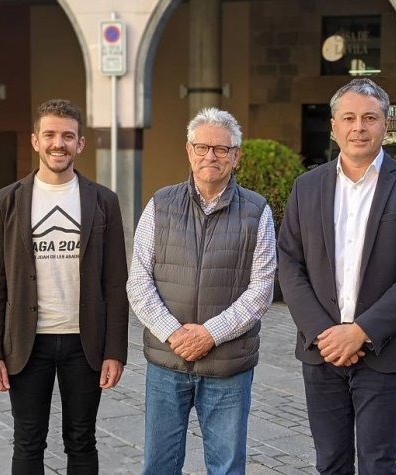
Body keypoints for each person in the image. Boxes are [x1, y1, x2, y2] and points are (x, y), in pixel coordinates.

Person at [277, 78, 396, 474]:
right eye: (348, 118)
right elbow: (289, 263)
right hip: (322, 352)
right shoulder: (306, 187)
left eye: (370, 117)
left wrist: (361, 330)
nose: (359, 127)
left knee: (377, 462)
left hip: (383, 350)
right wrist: (323, 332)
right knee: (330, 462)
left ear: (387, 124)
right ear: (333, 126)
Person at [0, 99, 129, 474]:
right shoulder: (7, 202)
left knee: (82, 439)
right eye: (49, 135)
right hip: (27, 343)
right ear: (35, 141)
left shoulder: (103, 202)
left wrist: (116, 351)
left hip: (85, 343)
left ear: (80, 144)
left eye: (67, 136)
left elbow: (115, 283)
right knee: (28, 442)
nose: (57, 143)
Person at [127, 108, 276, 475]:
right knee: (158, 465)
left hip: (227, 366)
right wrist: (174, 334)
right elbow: (139, 281)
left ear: (236, 155)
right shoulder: (160, 205)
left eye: (222, 149)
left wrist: (210, 334)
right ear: (189, 151)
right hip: (167, 361)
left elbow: (261, 289)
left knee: (226, 467)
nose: (211, 156)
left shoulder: (258, 211)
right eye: (202, 147)